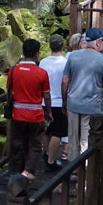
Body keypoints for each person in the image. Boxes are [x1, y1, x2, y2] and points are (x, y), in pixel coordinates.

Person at [61, 25, 103, 154]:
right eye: (102, 41)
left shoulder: (73, 56)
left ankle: (73, 164)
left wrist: (64, 101)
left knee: (73, 140)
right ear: (98, 43)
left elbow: (65, 80)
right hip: (91, 106)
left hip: (73, 104)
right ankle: (84, 164)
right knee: (85, 141)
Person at [6, 39, 51, 182]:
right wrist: (49, 112)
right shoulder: (42, 73)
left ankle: (15, 172)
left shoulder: (13, 70)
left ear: (23, 52)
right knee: (35, 144)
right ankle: (28, 171)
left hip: (17, 114)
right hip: (35, 115)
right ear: (37, 54)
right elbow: (46, 95)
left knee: (18, 143)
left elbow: (10, 91)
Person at [39, 34, 68, 170]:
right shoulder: (65, 62)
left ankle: (47, 153)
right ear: (63, 45)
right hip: (59, 101)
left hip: (44, 101)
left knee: (47, 130)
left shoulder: (43, 62)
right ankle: (51, 161)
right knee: (58, 132)